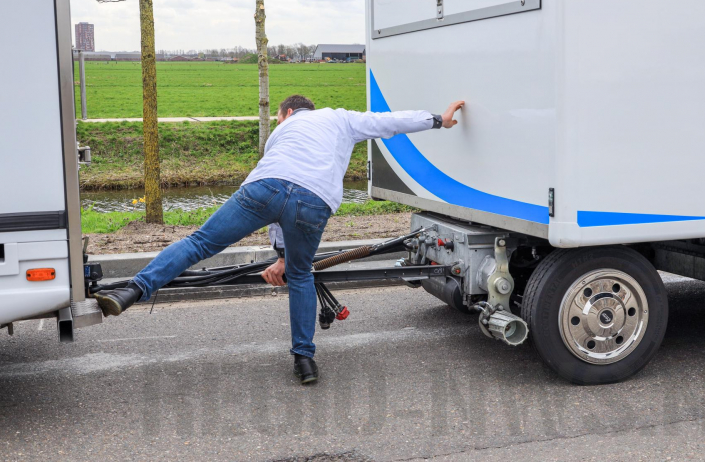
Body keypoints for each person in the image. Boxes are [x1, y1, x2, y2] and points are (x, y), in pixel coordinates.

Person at [94, 94, 464, 383]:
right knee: (301, 276)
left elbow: (277, 204)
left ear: (287, 113)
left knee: (199, 244)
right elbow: (389, 122)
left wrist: (279, 252)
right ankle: (304, 360)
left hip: (264, 187)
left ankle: (131, 291)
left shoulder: (280, 133)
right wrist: (438, 120)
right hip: (314, 199)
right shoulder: (340, 118)